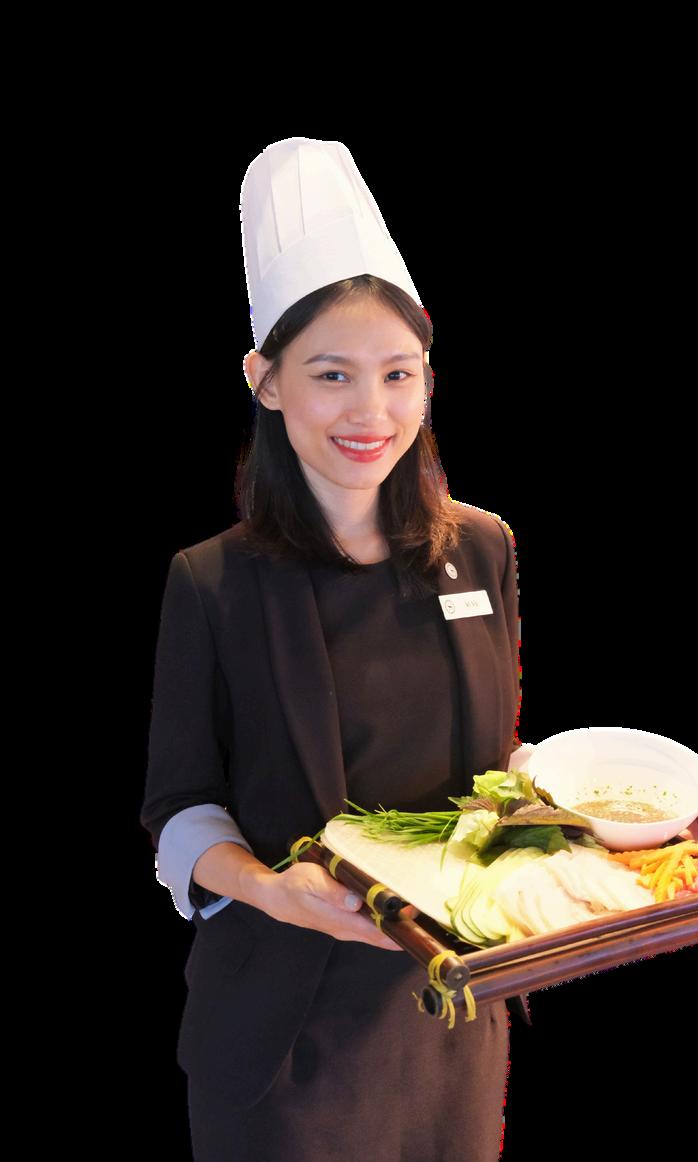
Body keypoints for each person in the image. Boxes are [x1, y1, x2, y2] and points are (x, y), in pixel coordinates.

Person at [140, 138, 524, 1161]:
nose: (371, 411)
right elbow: (179, 809)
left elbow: (492, 764)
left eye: (399, 374)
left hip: (447, 1014)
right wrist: (272, 888)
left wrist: (560, 801)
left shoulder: (481, 548)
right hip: (282, 1041)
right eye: (331, 375)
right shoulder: (210, 582)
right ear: (264, 381)